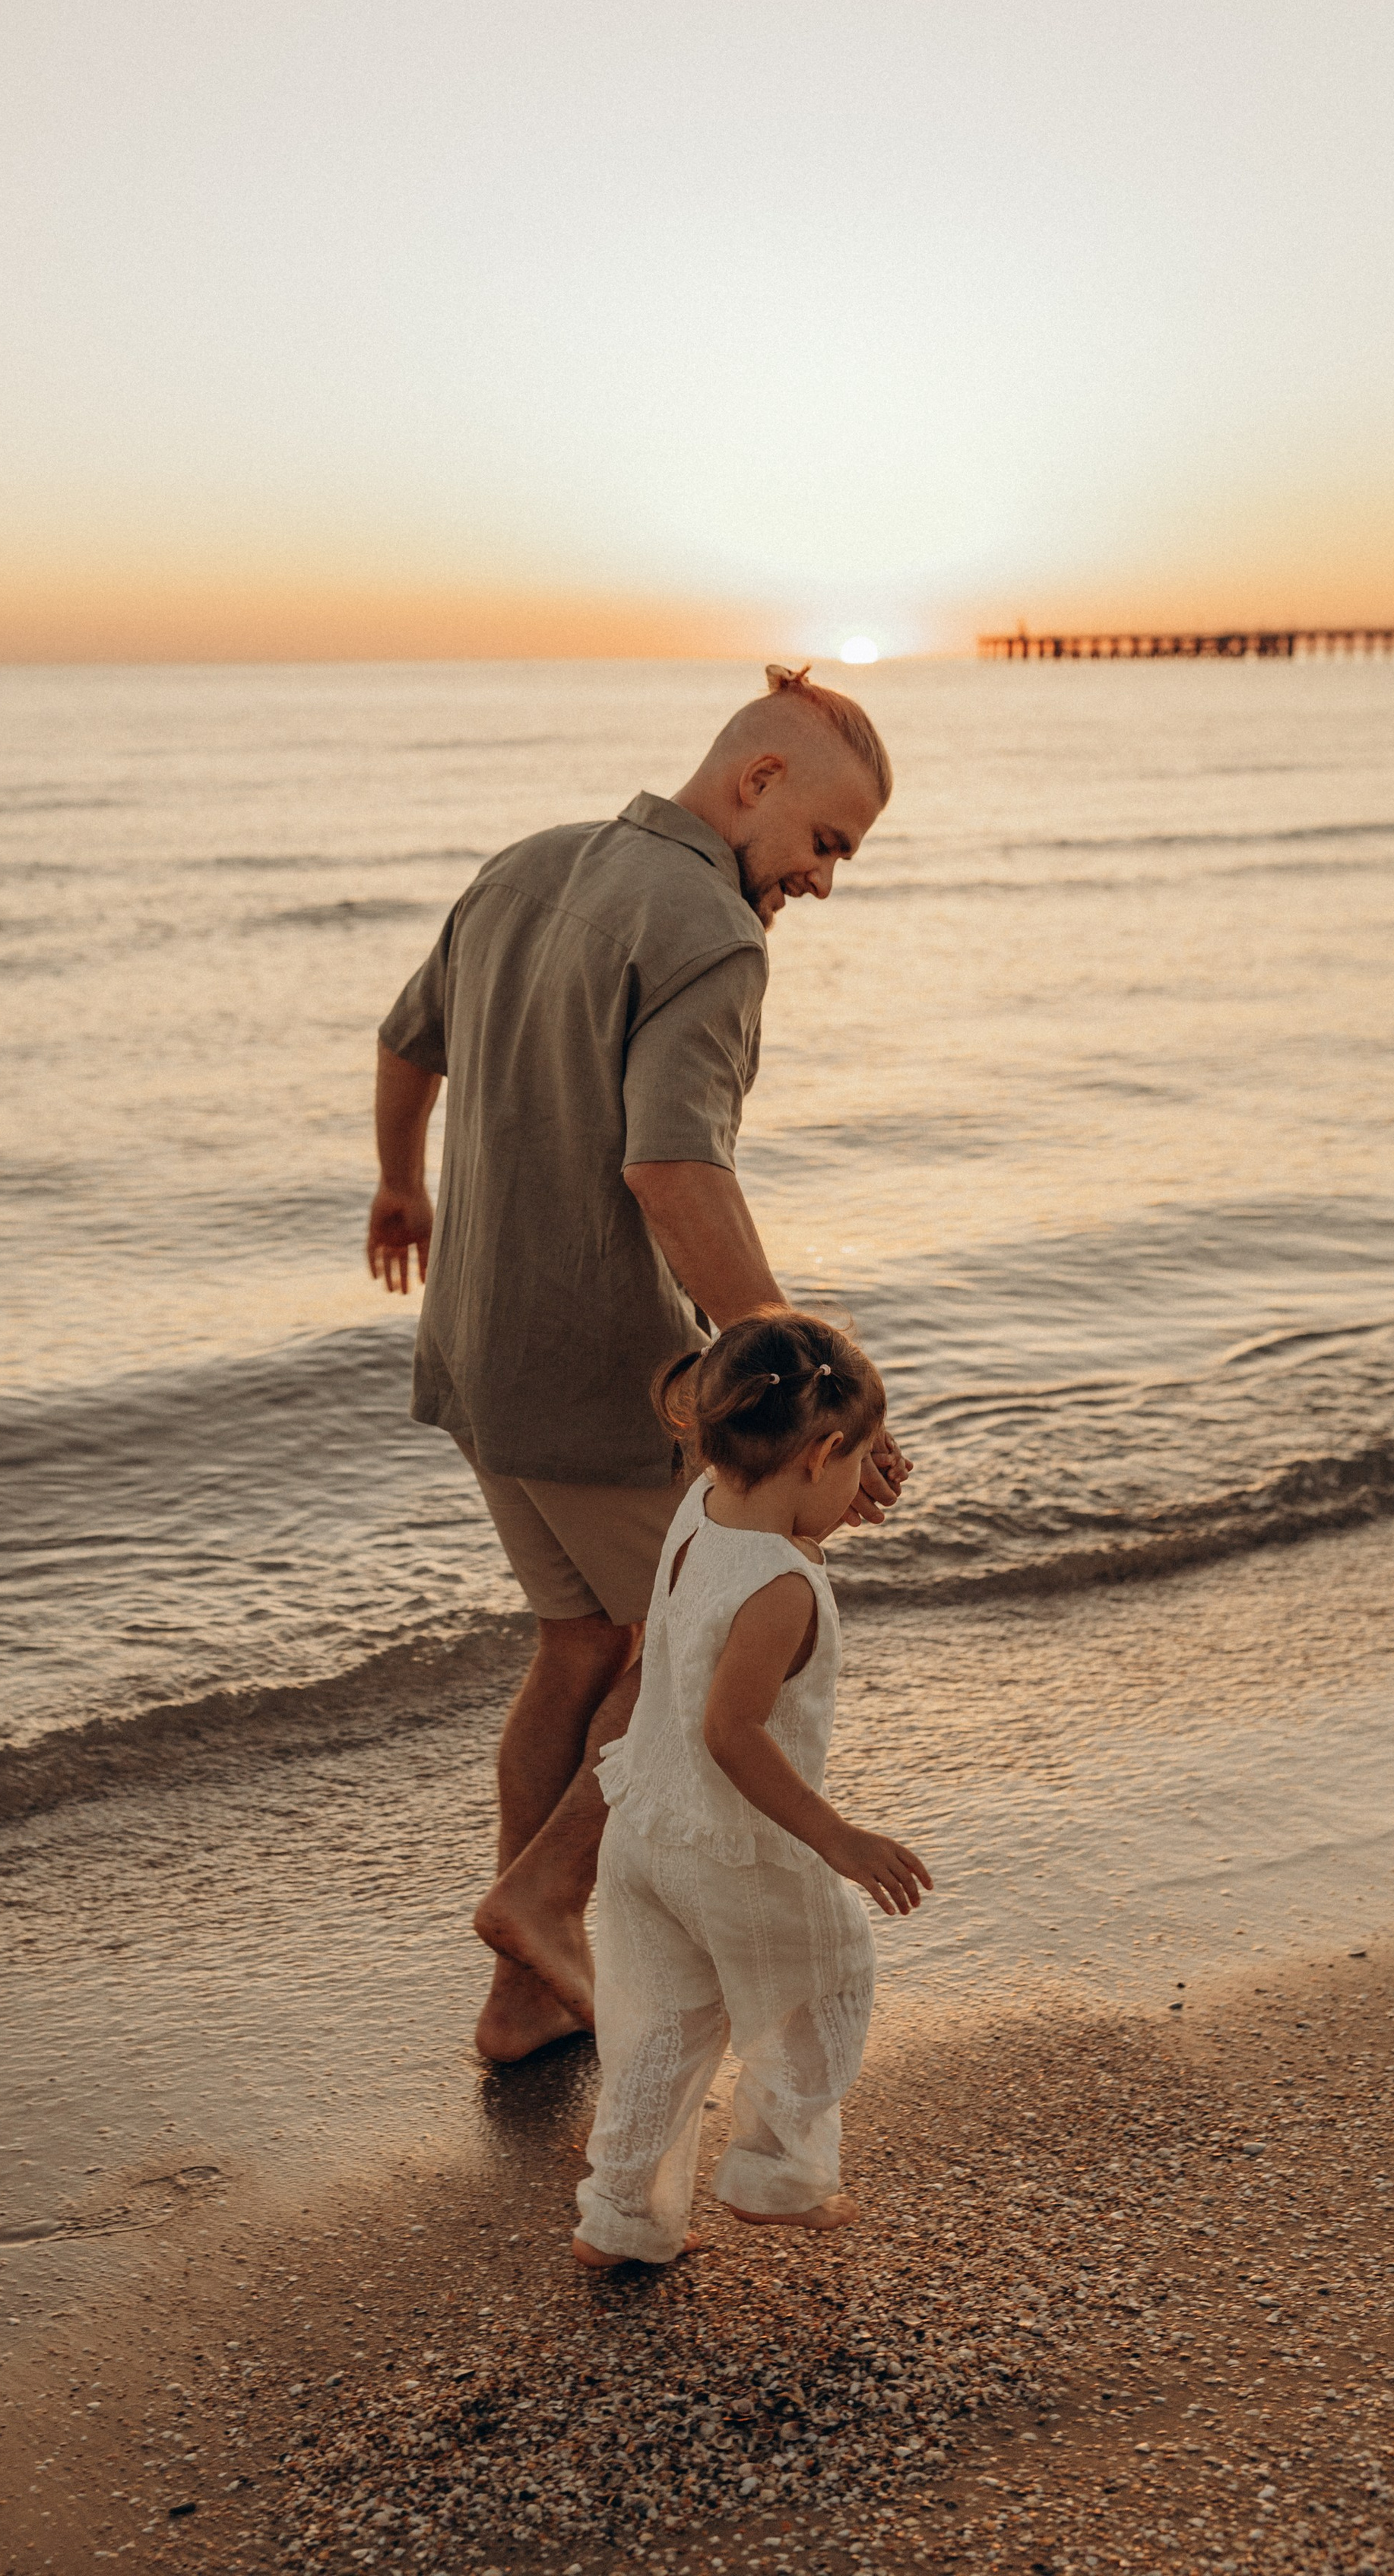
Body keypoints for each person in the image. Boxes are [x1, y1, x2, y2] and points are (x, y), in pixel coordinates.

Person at [367, 664, 908, 2064]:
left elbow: (402, 1040)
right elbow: (673, 1166)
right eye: (827, 844)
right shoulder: (713, 932)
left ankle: (522, 1991)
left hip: (479, 1358)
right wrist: (812, 1385)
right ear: (758, 782)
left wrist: (398, 1189)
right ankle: (545, 1898)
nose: (824, 883)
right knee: (707, 1651)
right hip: (610, 1366)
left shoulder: (523, 869)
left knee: (582, 1645)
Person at [572, 1312, 930, 2269]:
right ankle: (776, 2175)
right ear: (821, 1454)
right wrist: (838, 1839)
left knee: (659, 2033)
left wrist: (816, 1506)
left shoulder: (701, 1505)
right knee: (825, 1981)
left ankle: (620, 2220)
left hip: (643, 1829)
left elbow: (763, 1541)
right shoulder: (783, 1590)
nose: (865, 1488)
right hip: (741, 1851)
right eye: (858, 1464)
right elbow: (729, 1733)